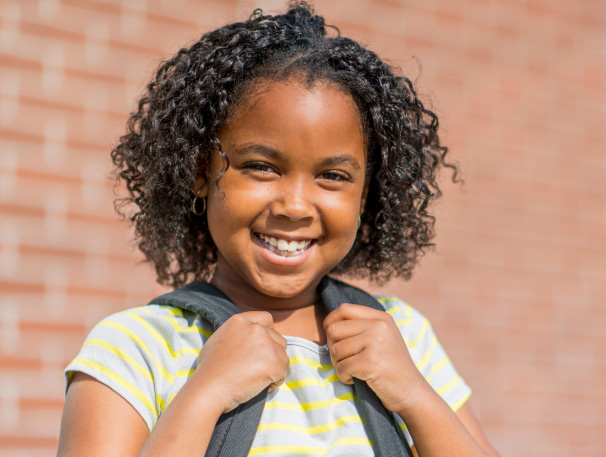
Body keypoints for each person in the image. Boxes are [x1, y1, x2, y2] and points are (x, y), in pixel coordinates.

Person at [57, 3, 500, 456]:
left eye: (333, 176)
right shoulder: (137, 349)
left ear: (366, 196)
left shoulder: (402, 335)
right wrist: (205, 393)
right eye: (261, 167)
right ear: (199, 173)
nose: (294, 206)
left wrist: (414, 394)